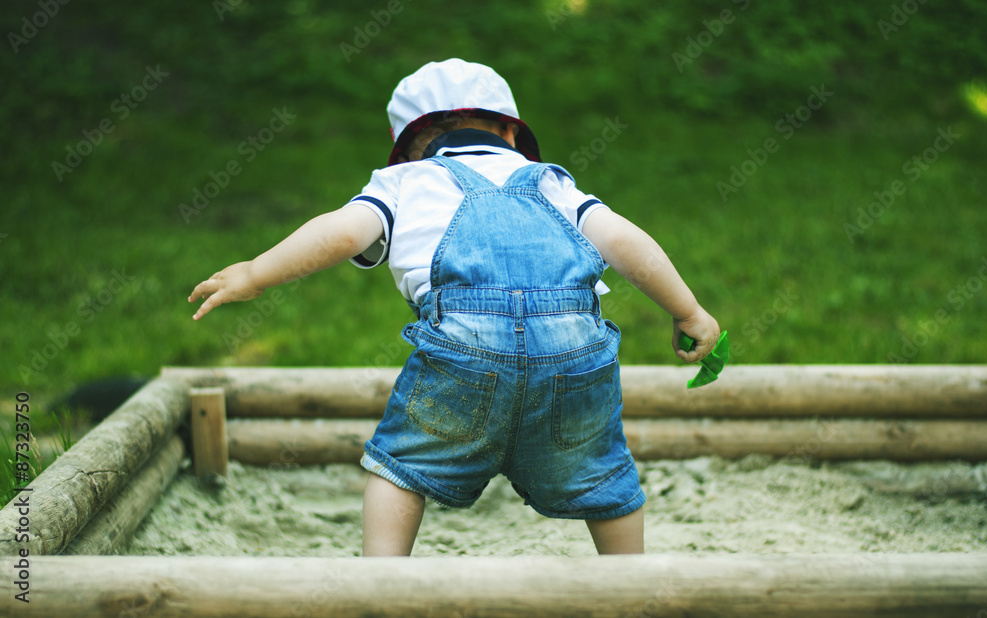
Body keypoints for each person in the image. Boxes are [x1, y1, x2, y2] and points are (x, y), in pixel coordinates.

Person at [188, 58, 720, 557]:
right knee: (603, 475)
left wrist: (256, 274)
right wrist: (688, 311)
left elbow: (343, 232)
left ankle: (382, 581)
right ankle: (630, 581)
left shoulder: (405, 181)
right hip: (573, 348)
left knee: (402, 465)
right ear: (512, 133)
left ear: (415, 143)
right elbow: (629, 245)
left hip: (465, 348)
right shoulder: (553, 183)